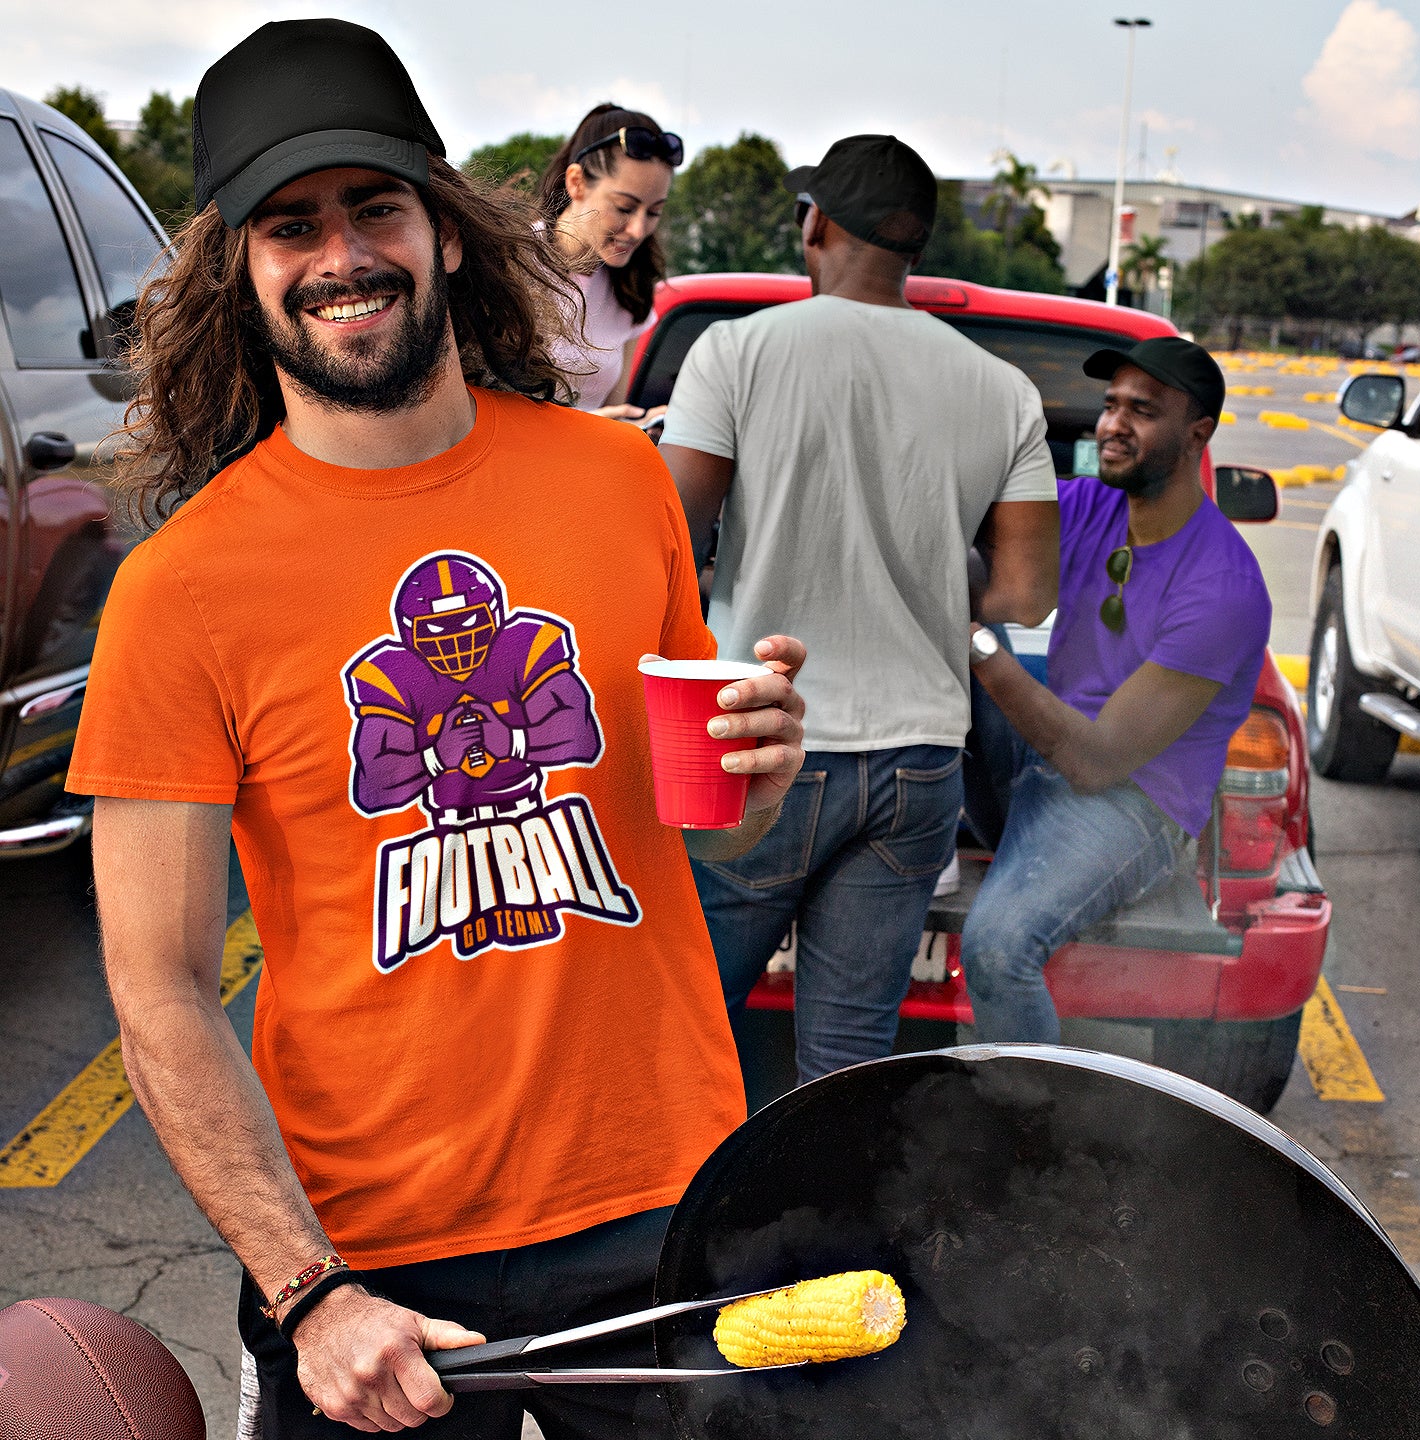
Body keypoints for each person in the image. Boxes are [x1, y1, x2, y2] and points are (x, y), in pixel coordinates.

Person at [65, 19, 806, 1438]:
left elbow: (704, 818)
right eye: (291, 225)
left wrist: (758, 773)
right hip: (371, 1261)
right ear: (242, 273)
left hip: (656, 1196)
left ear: (447, 231)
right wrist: (304, 1290)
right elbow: (157, 985)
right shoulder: (180, 590)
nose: (342, 253)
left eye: (375, 206)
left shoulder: (617, 482)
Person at [659, 134, 1059, 1088]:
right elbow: (1025, 593)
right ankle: (826, 1233)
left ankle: (667, 1230)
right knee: (845, 1064)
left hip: (768, 751)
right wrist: (921, 565)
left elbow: (668, 534)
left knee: (686, 1031)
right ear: (913, 244)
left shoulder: (738, 352)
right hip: (922, 764)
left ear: (818, 226)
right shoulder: (1002, 392)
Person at [960, 337, 1271, 1043]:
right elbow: (964, 512)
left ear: (1197, 435)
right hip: (1037, 772)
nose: (1112, 425)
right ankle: (888, 826)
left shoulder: (1223, 588)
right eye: (1108, 406)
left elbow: (1099, 762)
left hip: (1131, 807)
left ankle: (1027, 1139)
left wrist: (972, 638)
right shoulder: (1089, 506)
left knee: (999, 948)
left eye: (1142, 410)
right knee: (942, 565)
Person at [538, 104, 681, 422]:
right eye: (625, 207)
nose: (639, 230)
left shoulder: (631, 289)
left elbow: (610, 414)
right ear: (576, 183)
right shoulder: (508, 265)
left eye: (654, 212)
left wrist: (636, 426)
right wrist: (593, 428)